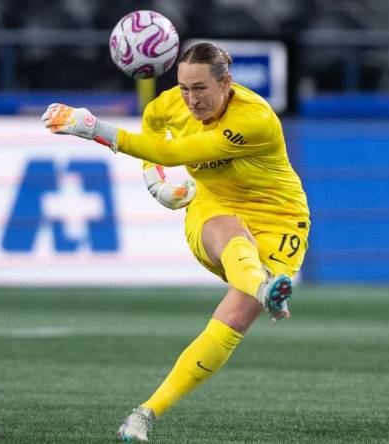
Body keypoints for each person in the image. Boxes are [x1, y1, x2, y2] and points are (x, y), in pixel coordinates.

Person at [41, 42, 310, 442]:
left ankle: (143, 414)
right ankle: (264, 287)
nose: (191, 99)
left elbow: (173, 151)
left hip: (280, 219)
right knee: (232, 235)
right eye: (184, 87)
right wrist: (155, 183)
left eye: (200, 88)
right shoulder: (169, 104)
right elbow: (153, 129)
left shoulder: (254, 120)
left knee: (233, 319)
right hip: (214, 205)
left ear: (226, 82)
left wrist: (96, 130)